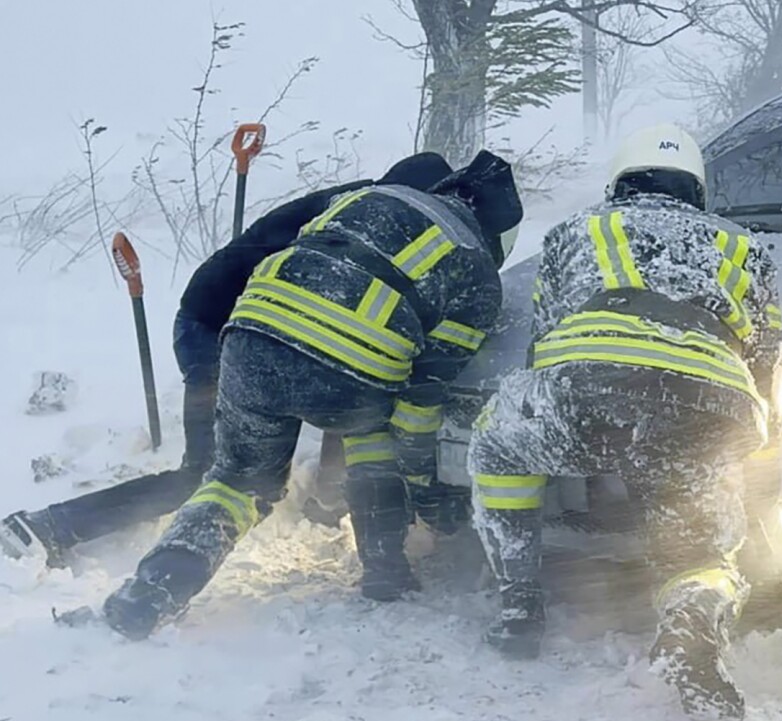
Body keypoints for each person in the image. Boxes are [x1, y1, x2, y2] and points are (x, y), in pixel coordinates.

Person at [99, 150, 523, 641]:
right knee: (373, 433)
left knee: (237, 483)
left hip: (249, 342)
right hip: (347, 372)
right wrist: (425, 486)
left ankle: (152, 591)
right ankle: (385, 571)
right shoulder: (475, 270)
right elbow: (420, 401)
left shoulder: (363, 198)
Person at [467, 124, 782, 721]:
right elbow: (768, 368)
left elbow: (545, 342)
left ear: (619, 182)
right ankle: (692, 624)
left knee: (497, 444)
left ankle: (520, 603)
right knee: (704, 552)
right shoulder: (746, 246)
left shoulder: (578, 231)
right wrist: (756, 463)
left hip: (589, 389)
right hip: (707, 405)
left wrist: (579, 425)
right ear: (696, 189)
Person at [0, 153, 456, 564]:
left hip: (266, 332)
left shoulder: (364, 208)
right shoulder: (369, 221)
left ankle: (324, 503)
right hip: (217, 331)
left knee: (350, 383)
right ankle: (48, 526)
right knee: (206, 475)